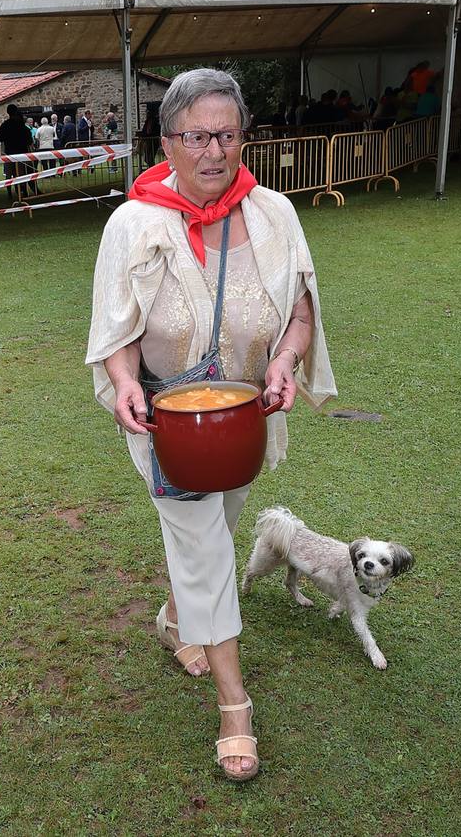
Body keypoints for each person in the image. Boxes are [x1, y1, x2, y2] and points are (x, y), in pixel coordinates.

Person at [86, 68, 335, 782]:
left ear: (243, 137)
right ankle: (236, 708)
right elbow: (116, 327)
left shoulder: (274, 215)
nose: (213, 151)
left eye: (227, 134)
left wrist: (287, 361)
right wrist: (127, 383)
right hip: (167, 422)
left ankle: (174, 621)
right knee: (203, 545)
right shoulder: (133, 223)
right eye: (196, 136)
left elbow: (300, 310)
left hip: (245, 419)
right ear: (167, 141)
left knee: (217, 536)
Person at [0, 104, 32, 200]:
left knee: (9, 174)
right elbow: (29, 140)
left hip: (9, 152)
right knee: (21, 173)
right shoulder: (22, 126)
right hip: (21, 153)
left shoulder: (4, 125)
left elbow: (1, 139)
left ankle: (10, 192)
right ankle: (23, 190)